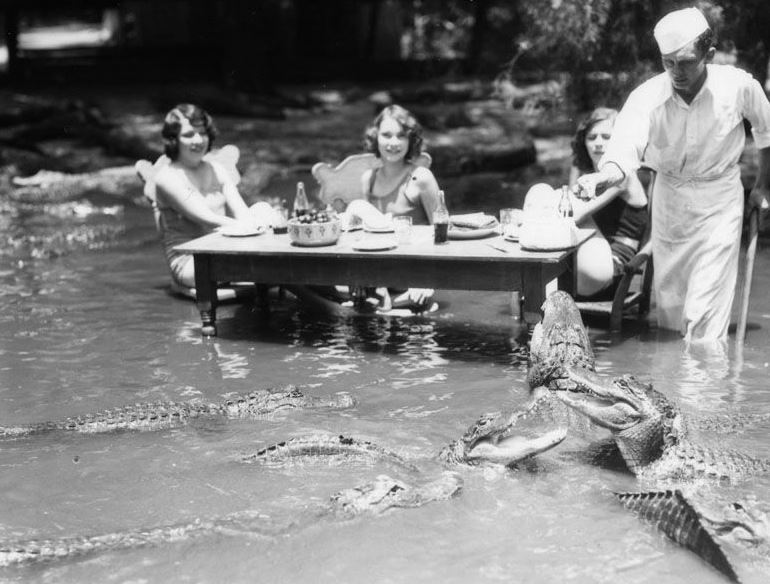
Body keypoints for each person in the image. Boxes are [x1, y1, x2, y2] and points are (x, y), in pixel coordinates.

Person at [573, 7, 770, 344]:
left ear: (708, 55)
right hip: (669, 202)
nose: (676, 72)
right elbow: (624, 150)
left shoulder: (738, 87)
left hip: (719, 199)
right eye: (668, 63)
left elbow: (766, 132)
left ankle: (702, 391)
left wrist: (764, 187)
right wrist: (602, 177)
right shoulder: (646, 97)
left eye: (686, 62)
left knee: (703, 315)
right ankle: (677, 390)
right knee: (671, 314)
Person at [153, 104, 339, 313]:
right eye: (189, 135)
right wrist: (252, 228)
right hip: (190, 261)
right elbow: (205, 217)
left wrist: (259, 223)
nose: (198, 140)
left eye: (202, 133)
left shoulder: (215, 168)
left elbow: (241, 210)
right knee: (268, 264)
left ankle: (337, 295)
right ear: (174, 139)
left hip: (221, 249)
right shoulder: (166, 177)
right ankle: (329, 309)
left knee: (262, 209)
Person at [344, 104, 442, 312]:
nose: (393, 143)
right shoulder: (368, 179)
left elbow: (442, 235)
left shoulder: (420, 178)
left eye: (401, 136)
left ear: (411, 140)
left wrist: (426, 280)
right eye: (386, 135)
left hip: (413, 274)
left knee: (357, 206)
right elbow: (364, 236)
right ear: (375, 137)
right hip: (378, 274)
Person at [568, 107, 648, 298]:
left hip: (612, 270)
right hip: (586, 257)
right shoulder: (587, 175)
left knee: (546, 198)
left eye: (606, 137)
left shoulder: (620, 177)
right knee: (541, 194)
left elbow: (573, 214)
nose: (598, 143)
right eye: (591, 137)